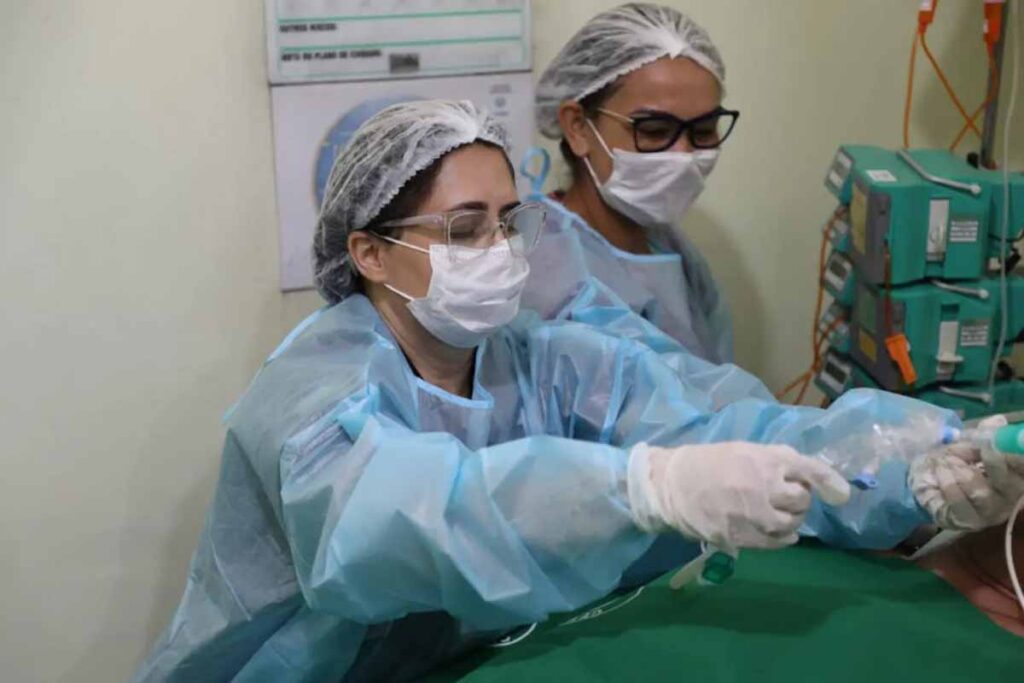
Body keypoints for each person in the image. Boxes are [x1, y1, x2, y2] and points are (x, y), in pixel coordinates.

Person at [132, 100, 1024, 682]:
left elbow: (721, 422)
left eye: (508, 221)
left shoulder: (547, 360)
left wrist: (916, 462)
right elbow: (406, 524)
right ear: (368, 252)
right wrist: (643, 488)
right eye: (463, 228)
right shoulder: (314, 392)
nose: (498, 250)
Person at [522, 2, 737, 363]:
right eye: (654, 130)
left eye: (703, 131)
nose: (684, 155)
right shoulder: (553, 280)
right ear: (578, 127)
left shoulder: (665, 245)